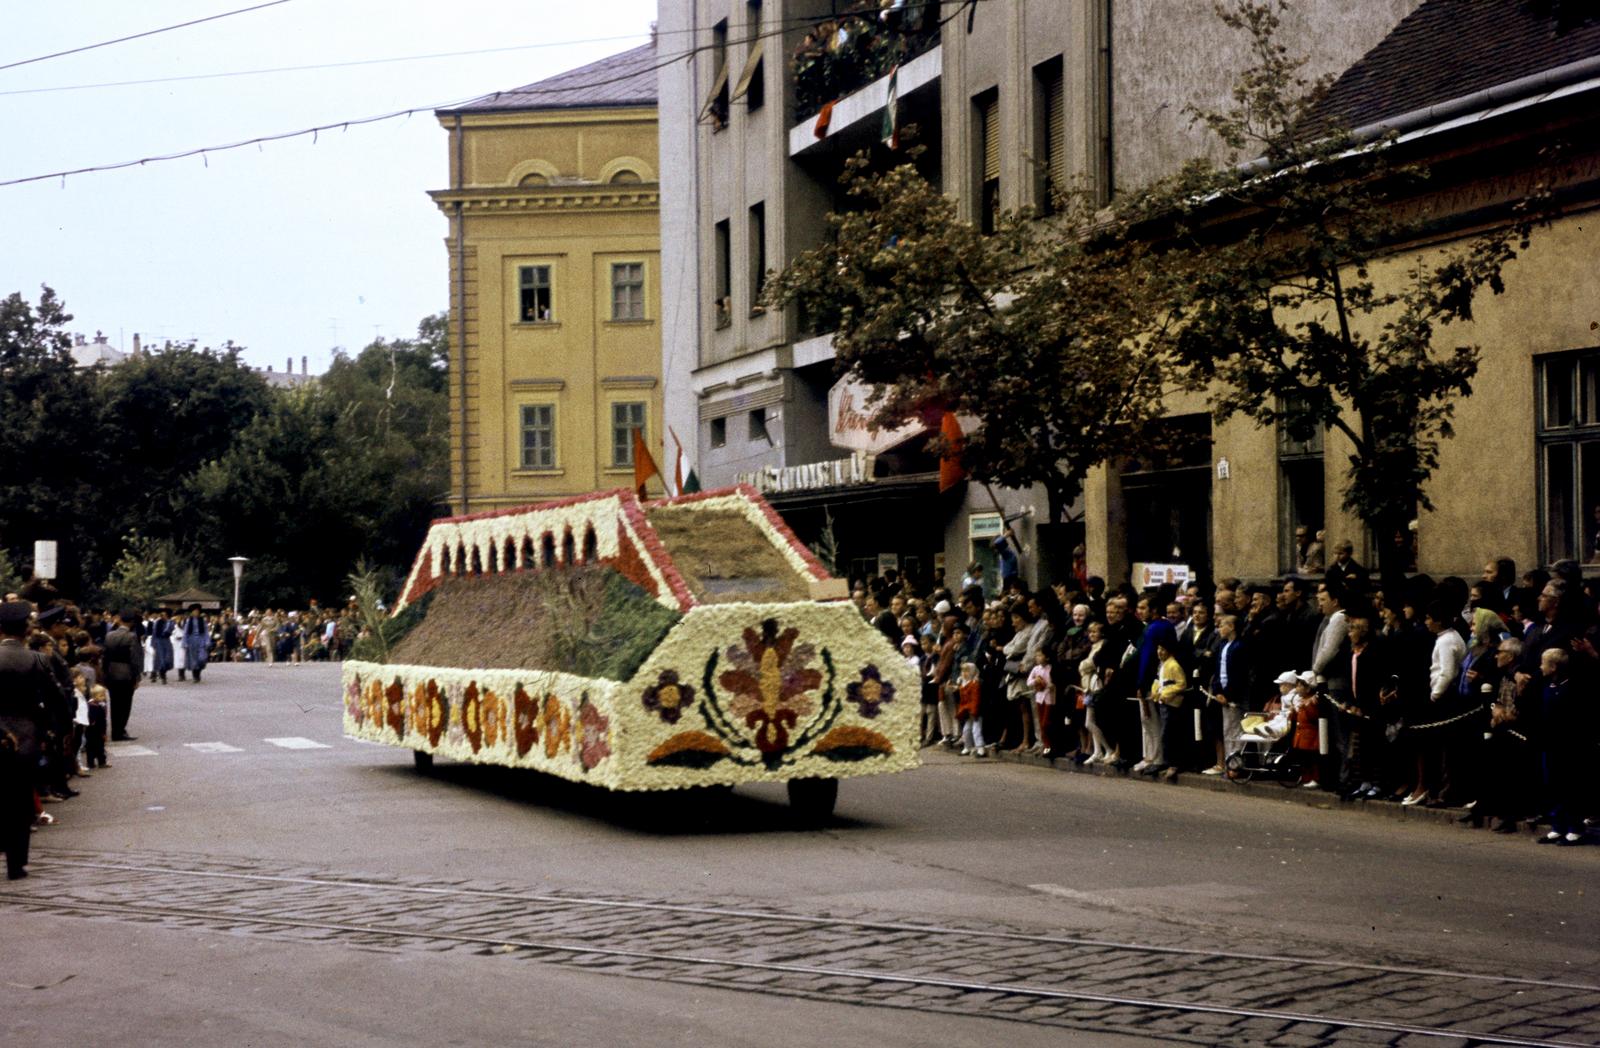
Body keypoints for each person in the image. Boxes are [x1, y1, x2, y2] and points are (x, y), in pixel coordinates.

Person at [0, 601, 56, 879]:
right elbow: (55, 699)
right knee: (21, 798)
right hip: (26, 737)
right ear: (26, 630)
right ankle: (16, 863)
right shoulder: (36, 660)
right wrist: (57, 730)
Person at [102, 609, 144, 741]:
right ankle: (120, 730)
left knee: (114, 703)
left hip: (111, 671)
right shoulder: (132, 637)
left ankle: (115, 730)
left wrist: (104, 673)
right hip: (126, 673)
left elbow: (105, 656)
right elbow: (135, 658)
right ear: (131, 622)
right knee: (125, 704)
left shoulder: (109, 635)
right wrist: (137, 676)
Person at [956, 660, 986, 756]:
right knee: (966, 730)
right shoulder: (964, 684)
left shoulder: (974, 683)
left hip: (975, 711)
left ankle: (980, 748)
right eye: (963, 671)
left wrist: (974, 711)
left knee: (976, 730)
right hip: (967, 711)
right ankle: (967, 747)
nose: (964, 674)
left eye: (967, 671)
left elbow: (975, 699)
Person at [180, 604, 211, 683]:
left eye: (197, 611)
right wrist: (184, 643)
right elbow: (185, 633)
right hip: (191, 641)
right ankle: (195, 676)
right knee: (194, 660)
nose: (196, 613)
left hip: (201, 641)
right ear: (191, 613)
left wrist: (207, 641)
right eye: (194, 611)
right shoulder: (188, 621)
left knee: (202, 658)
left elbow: (206, 632)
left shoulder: (202, 621)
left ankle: (199, 671)